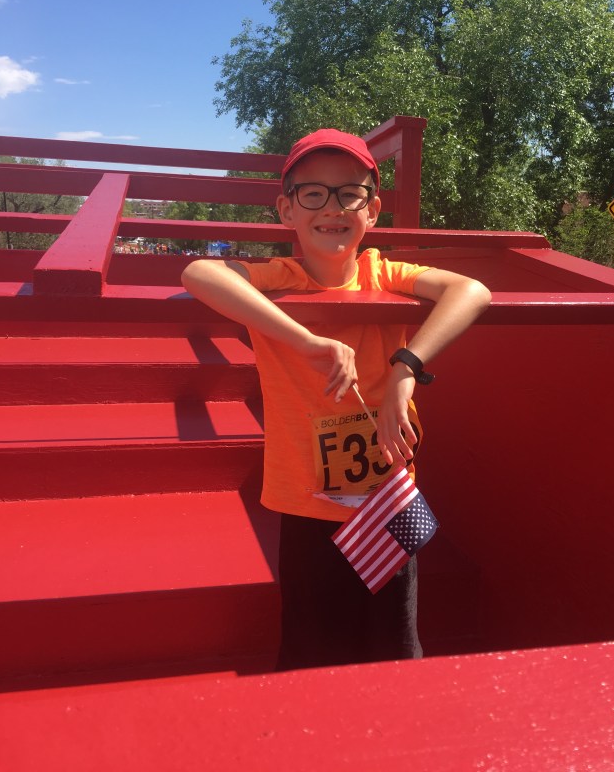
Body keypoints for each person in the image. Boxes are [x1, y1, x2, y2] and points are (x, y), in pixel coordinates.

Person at [181, 128, 491, 669]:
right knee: (312, 646)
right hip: (306, 497)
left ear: (372, 210)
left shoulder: (384, 273)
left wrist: (406, 368)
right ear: (286, 210)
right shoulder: (279, 279)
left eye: (350, 193)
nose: (332, 207)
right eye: (313, 193)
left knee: (394, 641)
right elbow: (198, 272)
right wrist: (306, 340)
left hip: (387, 493)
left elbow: (473, 290)